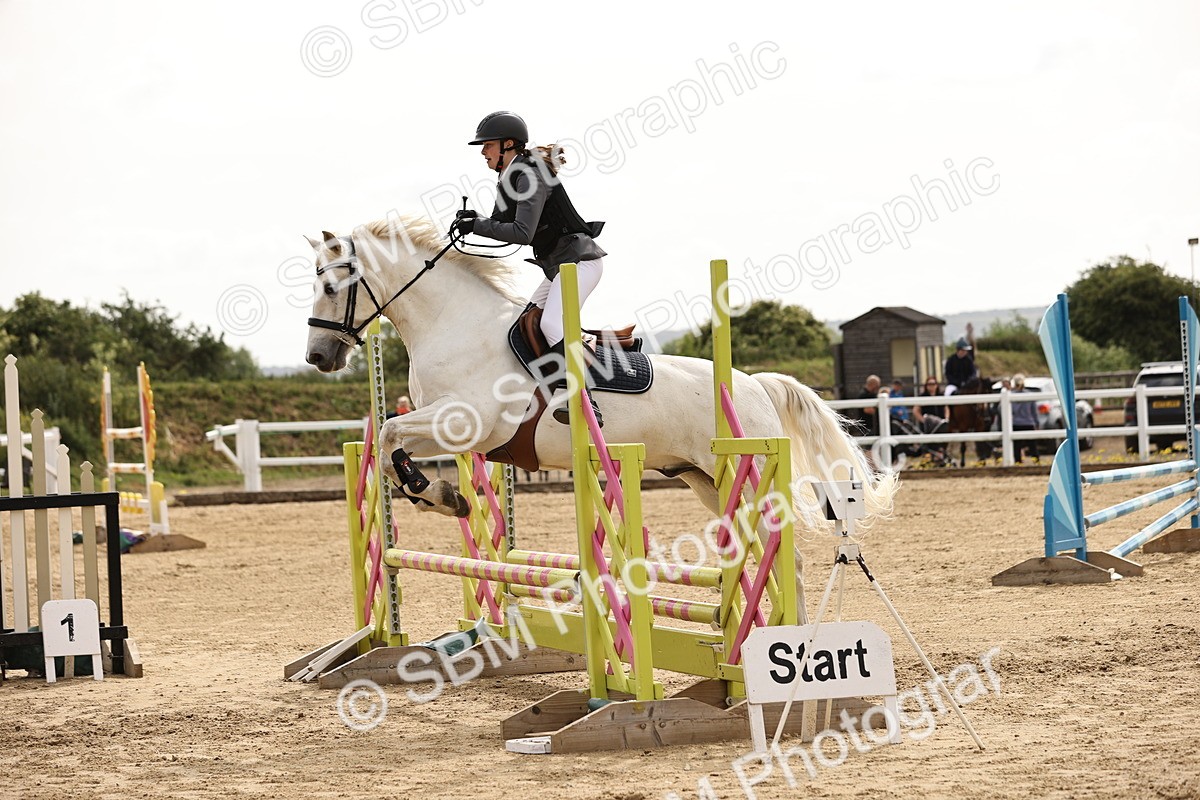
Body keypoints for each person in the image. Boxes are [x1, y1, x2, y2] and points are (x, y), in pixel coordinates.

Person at [453, 111, 607, 427]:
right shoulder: (510, 178)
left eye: (488, 145)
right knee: (525, 323)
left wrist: (477, 225)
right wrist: (473, 220)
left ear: (508, 145)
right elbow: (499, 224)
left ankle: (584, 398)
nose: (483, 152)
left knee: (550, 324)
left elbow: (522, 233)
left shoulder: (529, 176)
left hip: (580, 263)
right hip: (560, 268)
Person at [1010, 373, 1039, 463]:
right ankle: (1036, 460)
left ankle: (1018, 462)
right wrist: (1037, 422)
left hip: (1016, 423)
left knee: (1017, 446)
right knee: (1032, 445)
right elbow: (1034, 411)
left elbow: (1011, 411)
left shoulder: (1011, 395)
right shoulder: (1030, 394)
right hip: (1029, 422)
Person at [943, 325, 978, 394]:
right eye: (964, 350)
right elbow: (948, 374)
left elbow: (973, 372)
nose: (965, 352)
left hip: (967, 385)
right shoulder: (951, 360)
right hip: (954, 385)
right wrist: (957, 382)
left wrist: (968, 381)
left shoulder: (969, 360)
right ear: (959, 350)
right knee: (947, 392)